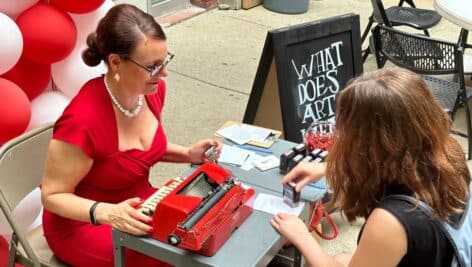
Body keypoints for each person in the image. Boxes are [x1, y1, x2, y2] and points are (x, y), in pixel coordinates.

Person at [40, 4, 222, 267]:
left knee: (207, 230)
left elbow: (136, 151)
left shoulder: (151, 91)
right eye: (153, 66)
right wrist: (106, 213)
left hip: (139, 204)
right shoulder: (82, 120)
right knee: (177, 256)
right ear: (115, 62)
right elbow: (52, 196)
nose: (164, 73)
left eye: (165, 61)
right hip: (83, 223)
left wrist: (187, 154)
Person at [270, 67, 470, 267]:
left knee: (335, 260)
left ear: (368, 144)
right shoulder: (450, 155)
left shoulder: (390, 222)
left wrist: (301, 236)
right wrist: (328, 168)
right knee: (341, 259)